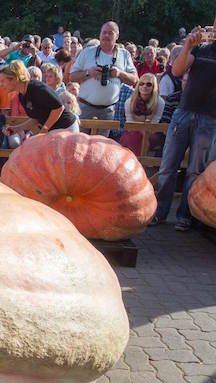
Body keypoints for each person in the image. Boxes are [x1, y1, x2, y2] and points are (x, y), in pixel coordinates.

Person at [151, 25, 216, 231]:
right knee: (168, 166)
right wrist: (187, 44)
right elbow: (177, 71)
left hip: (210, 118)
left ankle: (184, 216)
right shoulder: (200, 48)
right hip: (184, 112)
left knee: (195, 170)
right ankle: (159, 213)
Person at [69, 21, 138, 136]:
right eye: (104, 32)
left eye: (110, 33)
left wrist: (120, 73)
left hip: (107, 111)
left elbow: (135, 79)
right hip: (85, 108)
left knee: (100, 148)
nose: (106, 36)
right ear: (100, 34)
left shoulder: (124, 54)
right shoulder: (87, 52)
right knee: (79, 144)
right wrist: (88, 73)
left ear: (117, 36)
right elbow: (72, 77)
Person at [0, 60, 79, 140]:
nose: (1, 84)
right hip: (53, 131)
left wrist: (44, 130)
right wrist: (16, 128)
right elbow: (36, 118)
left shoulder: (37, 88)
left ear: (14, 79)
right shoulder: (22, 95)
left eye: (3, 81)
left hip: (66, 128)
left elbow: (58, 108)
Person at [119, 73, 165, 155]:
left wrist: (145, 133)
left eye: (149, 84)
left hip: (151, 132)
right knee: (133, 137)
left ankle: (140, 161)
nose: (144, 86)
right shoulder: (129, 102)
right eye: (141, 84)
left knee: (146, 138)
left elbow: (155, 122)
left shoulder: (160, 102)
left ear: (154, 87)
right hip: (133, 131)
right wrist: (141, 131)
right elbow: (130, 123)